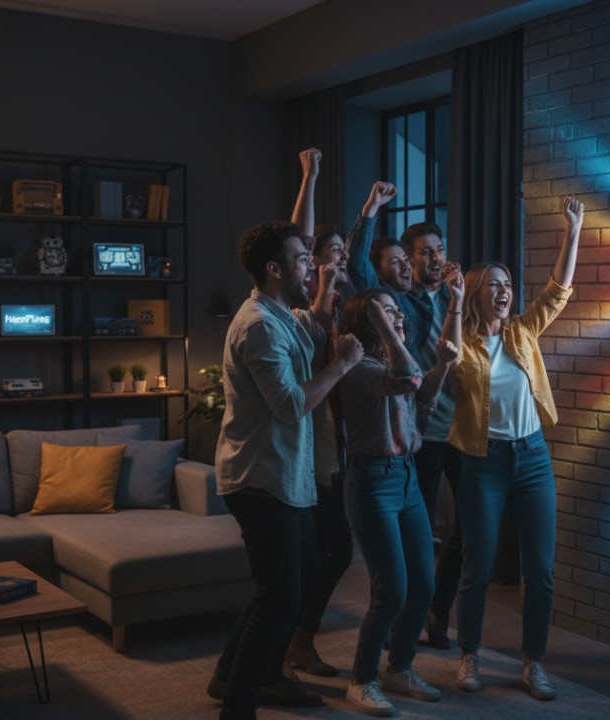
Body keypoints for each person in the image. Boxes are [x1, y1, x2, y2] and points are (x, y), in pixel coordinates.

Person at [209, 220, 364, 720]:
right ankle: (239, 705)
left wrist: (327, 284)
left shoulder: (281, 313)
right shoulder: (257, 325)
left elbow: (314, 325)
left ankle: (233, 675)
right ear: (274, 269)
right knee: (280, 597)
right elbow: (290, 403)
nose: (311, 265)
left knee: (292, 584)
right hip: (259, 478)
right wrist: (340, 366)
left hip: (286, 475)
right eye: (303, 259)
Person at [448, 196, 584, 701]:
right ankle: (468, 656)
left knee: (541, 573)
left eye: (508, 285)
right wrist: (453, 301)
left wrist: (573, 231)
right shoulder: (459, 343)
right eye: (494, 286)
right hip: (482, 465)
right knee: (477, 568)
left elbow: (557, 292)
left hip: (532, 459)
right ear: (477, 294)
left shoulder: (523, 332)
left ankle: (533, 663)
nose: (504, 292)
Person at [337, 280, 461, 716]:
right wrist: (387, 329)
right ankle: (362, 679)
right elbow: (407, 378)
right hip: (371, 481)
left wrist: (443, 364)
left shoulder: (393, 357)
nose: (400, 318)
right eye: (388, 312)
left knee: (423, 585)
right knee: (391, 590)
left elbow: (422, 395)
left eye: (397, 312)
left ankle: (400, 668)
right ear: (369, 321)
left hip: (406, 475)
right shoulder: (355, 365)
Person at [281, 146, 356, 679]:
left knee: (329, 553)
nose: (328, 262)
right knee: (329, 553)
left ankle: (294, 642)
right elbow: (298, 240)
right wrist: (310, 176)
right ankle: (293, 642)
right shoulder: (294, 304)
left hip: (332, 442)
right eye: (321, 254)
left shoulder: (336, 301)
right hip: (302, 446)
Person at [397, 221, 465, 649]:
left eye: (439, 249)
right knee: (414, 531)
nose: (435, 258)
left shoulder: (459, 297)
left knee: (469, 525)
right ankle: (403, 617)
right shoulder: (401, 302)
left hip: (463, 429)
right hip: (421, 432)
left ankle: (438, 612)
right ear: (410, 259)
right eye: (425, 252)